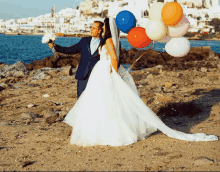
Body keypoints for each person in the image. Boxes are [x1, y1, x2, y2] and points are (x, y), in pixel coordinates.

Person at [65, 18, 218, 146]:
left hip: (106, 70)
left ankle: (110, 131)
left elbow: (114, 58)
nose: (101, 30)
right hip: (100, 71)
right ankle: (98, 128)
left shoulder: (109, 41)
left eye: (102, 27)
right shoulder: (104, 41)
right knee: (100, 99)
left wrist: (113, 71)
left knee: (108, 99)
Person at [48, 19, 121, 99]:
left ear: (99, 31)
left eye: (93, 28)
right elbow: (70, 50)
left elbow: (112, 57)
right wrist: (55, 47)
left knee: (95, 99)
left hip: (96, 77)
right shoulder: (84, 41)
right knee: (81, 99)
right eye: (91, 27)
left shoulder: (105, 42)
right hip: (82, 75)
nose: (91, 29)